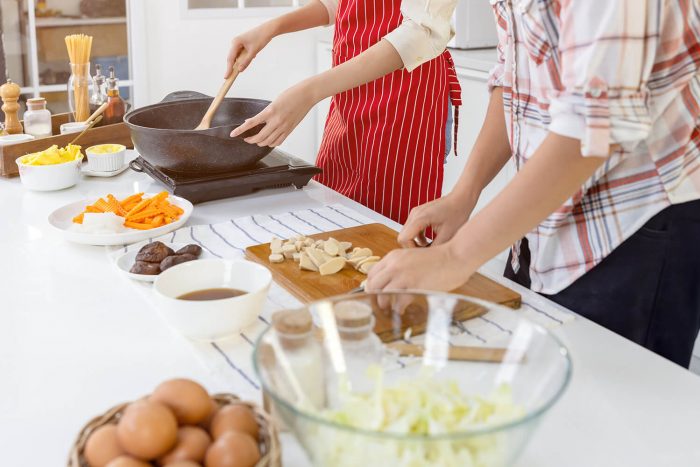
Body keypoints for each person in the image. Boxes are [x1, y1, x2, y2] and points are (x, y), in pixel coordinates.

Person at [366, 0, 700, 368]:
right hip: (548, 215)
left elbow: (592, 124)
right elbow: (514, 75)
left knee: (613, 408)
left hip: (638, 218)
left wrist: (455, 256)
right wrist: (465, 193)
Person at [226, 0, 461, 224]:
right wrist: (270, 28)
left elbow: (420, 33)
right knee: (335, 213)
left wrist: (308, 93)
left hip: (405, 99)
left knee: (389, 233)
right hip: (348, 97)